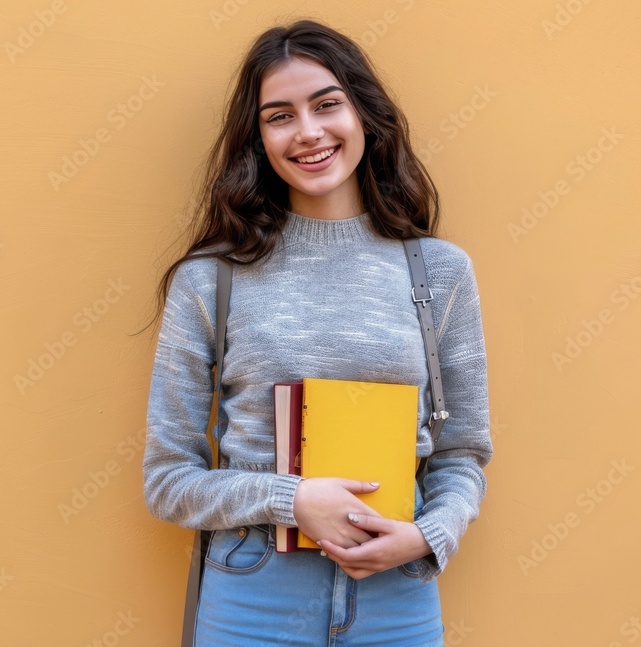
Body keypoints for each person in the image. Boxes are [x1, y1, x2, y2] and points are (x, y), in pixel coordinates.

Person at [139, 18, 493, 647]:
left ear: (364, 115)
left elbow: (461, 453)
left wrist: (429, 536)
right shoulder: (211, 279)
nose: (308, 132)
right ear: (258, 139)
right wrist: (290, 499)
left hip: (400, 599)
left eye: (327, 104)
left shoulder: (439, 271)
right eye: (280, 116)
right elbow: (169, 482)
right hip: (253, 598)